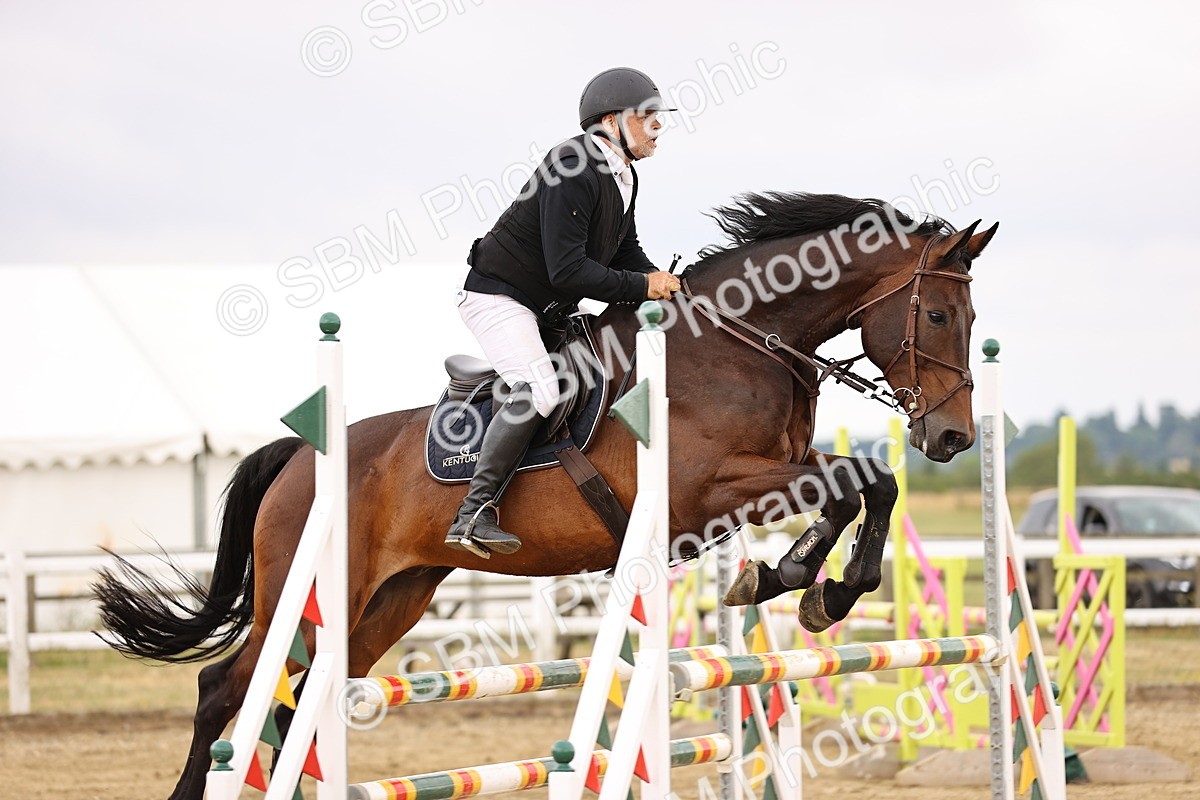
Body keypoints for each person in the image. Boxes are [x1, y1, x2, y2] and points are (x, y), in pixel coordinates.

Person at [447, 67, 682, 558]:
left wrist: (667, 285)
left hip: (545, 310)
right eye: (648, 118)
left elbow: (625, 253)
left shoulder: (623, 174)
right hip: (500, 298)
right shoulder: (572, 164)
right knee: (542, 389)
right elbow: (568, 271)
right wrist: (643, 286)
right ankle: (473, 512)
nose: (658, 128)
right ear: (612, 121)